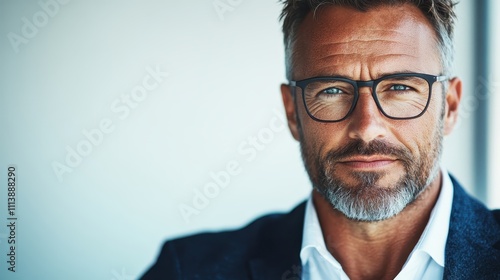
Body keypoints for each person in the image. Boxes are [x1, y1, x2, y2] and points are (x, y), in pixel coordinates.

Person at [141, 0, 500, 279]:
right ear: (292, 111)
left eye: (400, 87)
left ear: (450, 106)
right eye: (331, 90)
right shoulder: (187, 270)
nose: (367, 127)